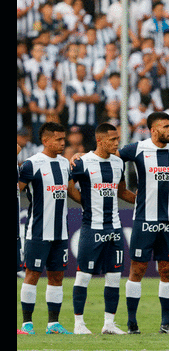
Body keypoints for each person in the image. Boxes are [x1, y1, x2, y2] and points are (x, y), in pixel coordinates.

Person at [117, 111, 169, 334]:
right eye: (166, 126)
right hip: (144, 219)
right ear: (154, 129)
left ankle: (166, 323)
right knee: (137, 269)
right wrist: (123, 189)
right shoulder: (137, 148)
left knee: (167, 270)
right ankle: (131, 322)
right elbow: (110, 158)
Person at [67, 123, 136, 335]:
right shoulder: (83, 162)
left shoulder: (117, 163)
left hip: (114, 229)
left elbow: (122, 191)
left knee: (114, 276)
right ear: (100, 141)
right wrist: (86, 203)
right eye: (113, 140)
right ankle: (79, 323)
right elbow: (69, 187)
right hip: (92, 227)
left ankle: (109, 324)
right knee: (83, 276)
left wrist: (143, 201)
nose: (117, 143)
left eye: (118, 139)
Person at [18, 122, 73, 335]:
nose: (62, 143)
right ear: (46, 140)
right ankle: (27, 324)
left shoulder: (64, 164)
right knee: (32, 274)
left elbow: (70, 192)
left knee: (56, 276)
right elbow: (17, 189)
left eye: (63, 139)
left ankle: (53, 324)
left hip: (61, 232)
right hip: (38, 231)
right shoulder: (31, 165)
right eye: (58, 139)